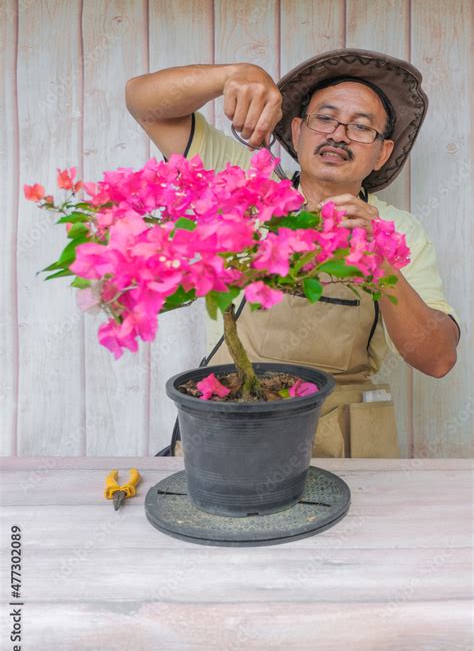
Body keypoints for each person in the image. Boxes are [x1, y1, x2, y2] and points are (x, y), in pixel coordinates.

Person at [125, 48, 460, 458]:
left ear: (382, 153)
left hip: (343, 438)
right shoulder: (242, 185)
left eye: (361, 127)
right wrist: (233, 74)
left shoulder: (400, 232)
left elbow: (438, 358)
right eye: (325, 119)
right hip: (234, 417)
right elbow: (145, 103)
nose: (338, 134)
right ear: (297, 131)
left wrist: (380, 260)